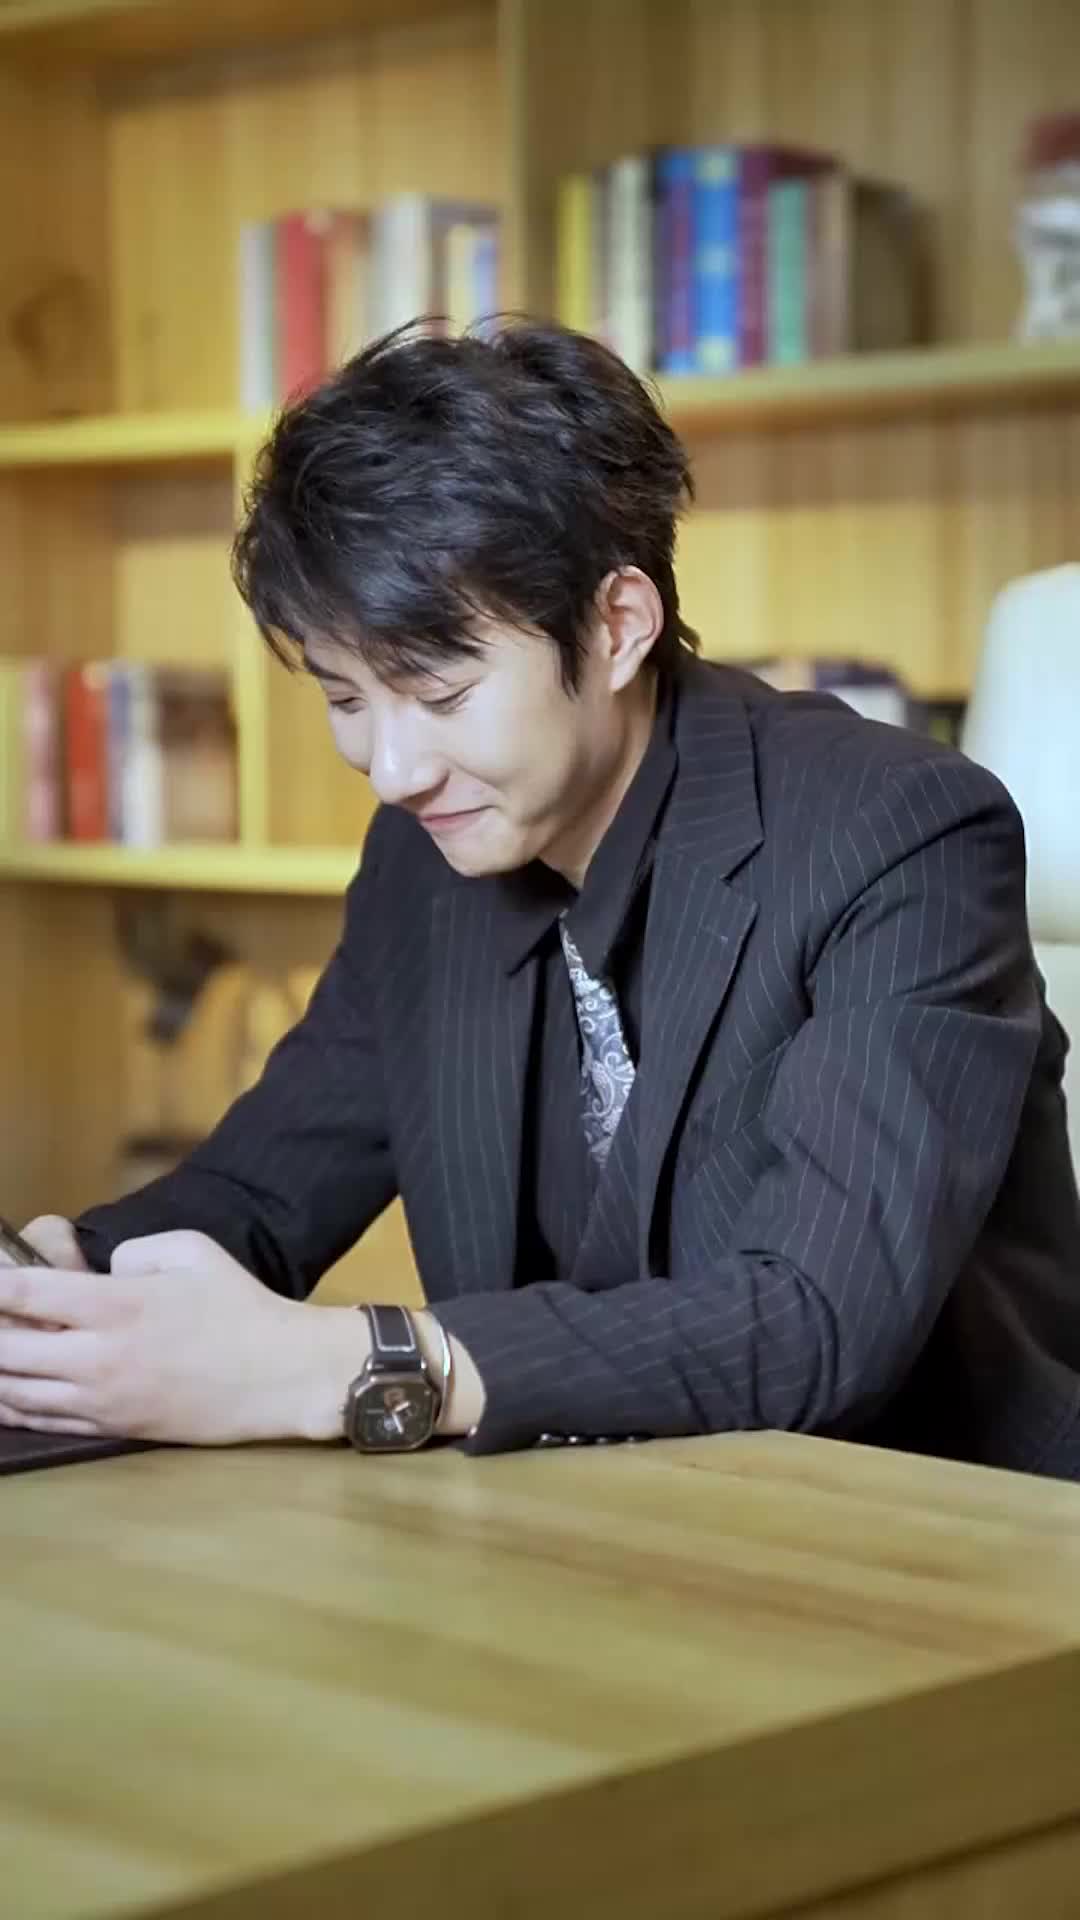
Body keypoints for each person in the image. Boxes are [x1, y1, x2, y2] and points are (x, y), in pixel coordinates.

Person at [1, 319, 1078, 1474]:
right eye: (347, 699)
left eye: (440, 695)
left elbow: (817, 1320)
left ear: (617, 627)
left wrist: (355, 1362)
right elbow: (260, 1194)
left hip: (917, 1526)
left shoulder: (897, 831)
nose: (392, 769)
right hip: (584, 1520)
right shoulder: (425, 859)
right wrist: (62, 1287)